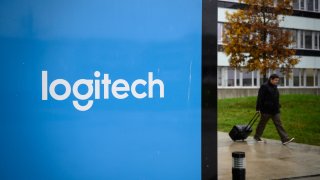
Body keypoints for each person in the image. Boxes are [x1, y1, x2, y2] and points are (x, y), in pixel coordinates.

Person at [254, 74, 294, 145]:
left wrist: (278, 105)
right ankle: (257, 136)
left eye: (278, 80)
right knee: (262, 124)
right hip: (266, 110)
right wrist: (258, 108)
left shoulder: (275, 86)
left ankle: (285, 139)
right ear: (271, 79)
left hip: (275, 110)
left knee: (279, 124)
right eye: (275, 80)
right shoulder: (264, 86)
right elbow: (260, 98)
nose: (277, 82)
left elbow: (275, 97)